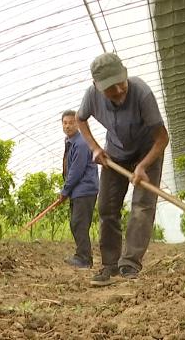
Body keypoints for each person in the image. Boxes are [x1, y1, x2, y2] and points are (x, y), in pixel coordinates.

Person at [76, 52, 169, 286]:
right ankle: (109, 264)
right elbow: (80, 120)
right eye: (110, 88)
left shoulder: (142, 93)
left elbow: (162, 138)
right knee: (107, 208)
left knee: (142, 207)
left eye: (120, 83)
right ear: (97, 87)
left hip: (148, 152)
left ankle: (129, 264)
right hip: (115, 155)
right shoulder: (91, 97)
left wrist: (143, 166)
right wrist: (95, 148)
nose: (118, 90)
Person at [59, 109, 99, 269]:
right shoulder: (71, 142)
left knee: (79, 223)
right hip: (79, 191)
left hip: (85, 190)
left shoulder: (81, 143)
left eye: (71, 122)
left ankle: (84, 259)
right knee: (77, 223)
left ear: (78, 124)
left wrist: (65, 191)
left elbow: (76, 170)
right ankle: (82, 256)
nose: (68, 126)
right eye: (65, 123)